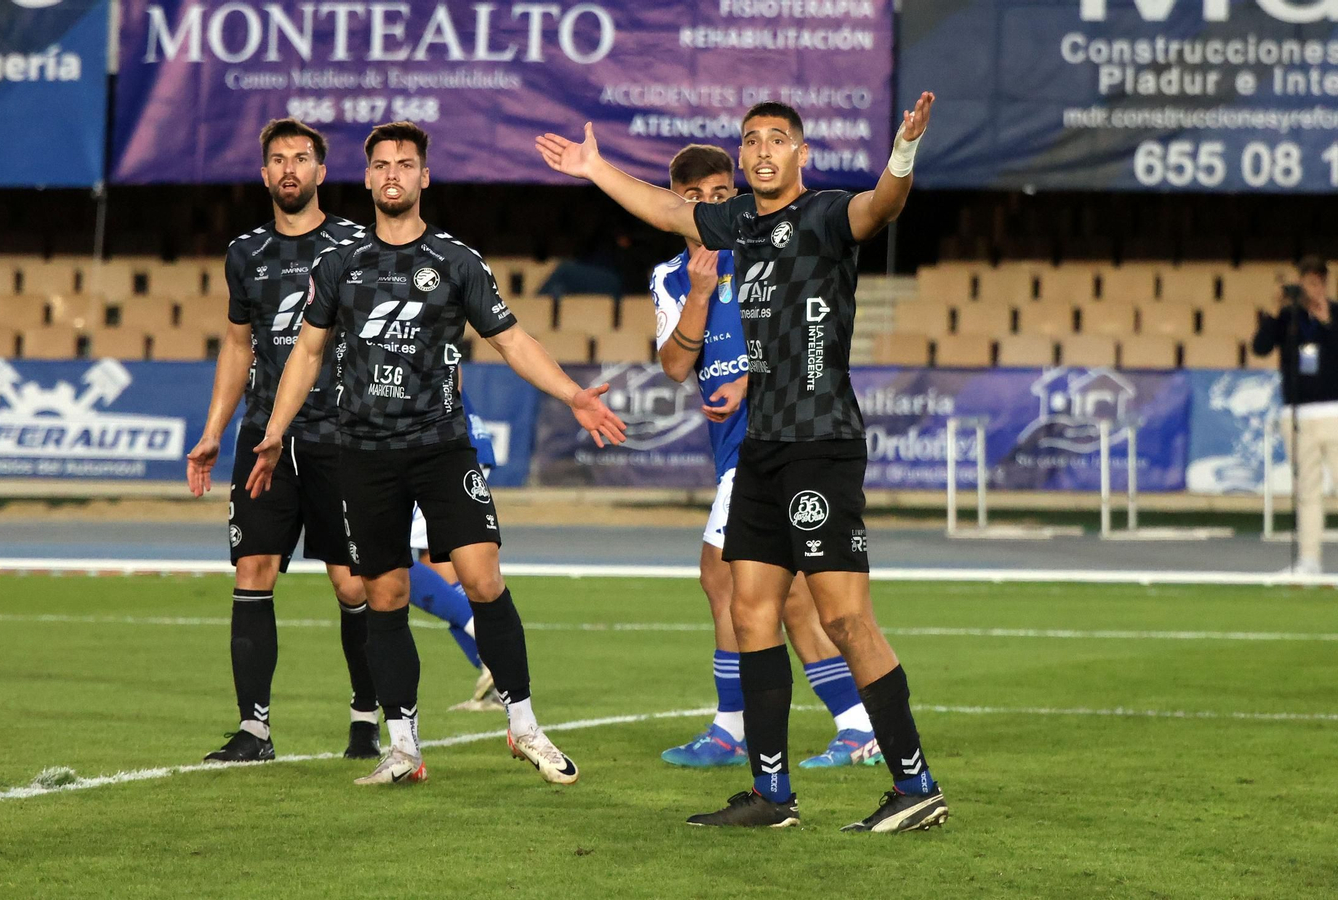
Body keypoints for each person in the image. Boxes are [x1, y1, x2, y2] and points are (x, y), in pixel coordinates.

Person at [537, 94, 950, 832]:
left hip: (819, 444)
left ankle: (916, 786)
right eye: (751, 140)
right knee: (752, 610)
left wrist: (904, 153)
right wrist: (596, 167)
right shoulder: (738, 225)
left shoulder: (824, 216)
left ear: (800, 154)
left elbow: (882, 206)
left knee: (845, 617)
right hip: (760, 451)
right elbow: (669, 215)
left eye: (777, 140)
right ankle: (772, 795)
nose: (762, 151)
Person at [248, 120, 627, 787]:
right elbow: (306, 352)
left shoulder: (457, 261)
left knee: (483, 579)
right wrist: (277, 430)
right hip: (362, 451)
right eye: (382, 164)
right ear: (366, 178)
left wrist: (572, 394)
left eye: (405, 164)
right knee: (386, 593)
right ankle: (404, 749)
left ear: (424, 178)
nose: (392, 173)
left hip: (441, 448)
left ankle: (524, 727)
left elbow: (511, 341)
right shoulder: (337, 265)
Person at [650, 145, 882, 771]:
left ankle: (732, 729)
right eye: (696, 199)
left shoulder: (766, 253)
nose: (711, 206)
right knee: (792, 600)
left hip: (777, 441)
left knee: (720, 577)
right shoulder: (671, 276)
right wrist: (699, 294)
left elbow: (798, 334)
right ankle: (857, 726)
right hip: (738, 450)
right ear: (679, 205)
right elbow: (675, 366)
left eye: (722, 195)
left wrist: (750, 381)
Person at [185, 118, 381, 764]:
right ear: (265, 174)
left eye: (302, 158)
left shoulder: (357, 243)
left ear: (323, 172)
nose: (290, 168)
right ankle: (254, 730)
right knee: (253, 571)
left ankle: (364, 719)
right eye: (278, 159)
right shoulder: (245, 253)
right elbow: (238, 345)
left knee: (353, 585)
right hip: (263, 437)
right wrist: (214, 431)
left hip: (340, 436)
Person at [407, 390, 499, 712]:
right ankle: (496, 677)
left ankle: (491, 647)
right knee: (441, 571)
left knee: (385, 557)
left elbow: (448, 368)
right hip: (453, 440)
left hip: (439, 447)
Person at [1252, 256, 1338, 576]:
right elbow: (1260, 347)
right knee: (1307, 492)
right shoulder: (1288, 318)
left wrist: (1326, 319)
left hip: (1334, 413)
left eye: (1319, 281)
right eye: (1308, 281)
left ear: (1326, 284)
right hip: (1298, 415)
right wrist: (1275, 311)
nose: (1313, 288)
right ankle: (1309, 559)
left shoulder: (1336, 313)